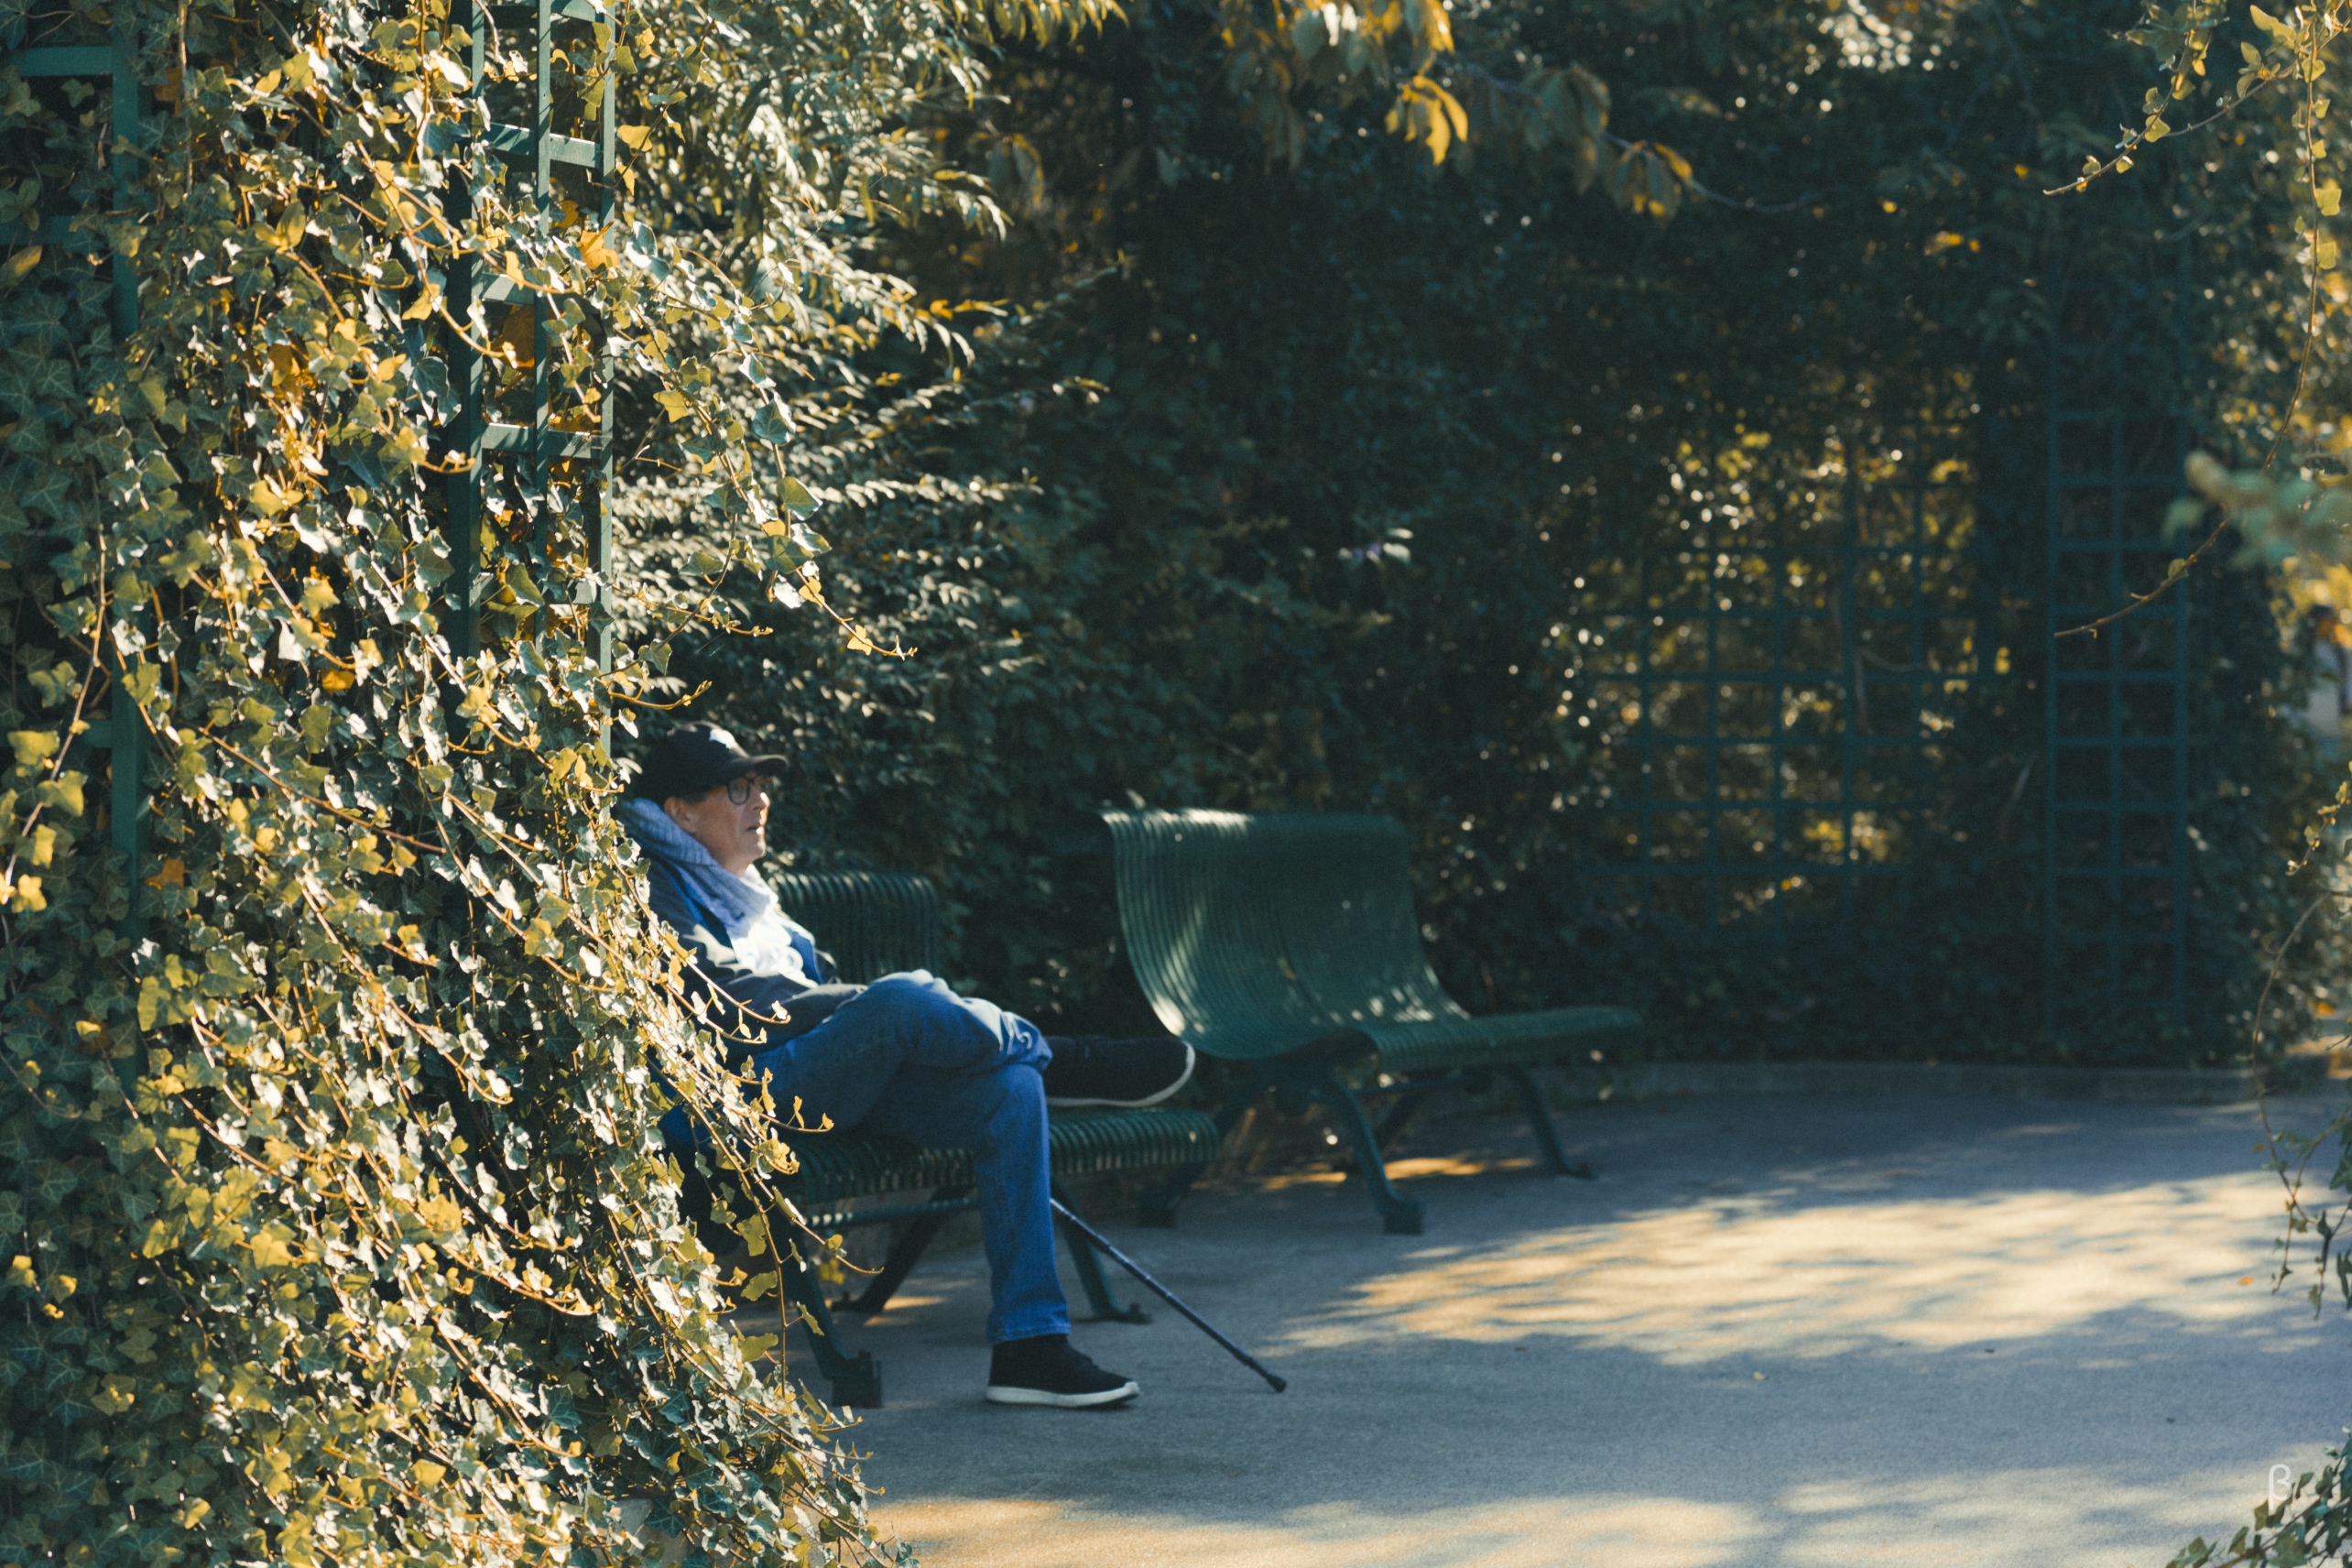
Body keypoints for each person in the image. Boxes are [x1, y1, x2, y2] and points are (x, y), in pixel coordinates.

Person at [617, 722, 1195, 1409]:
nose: (760, 802)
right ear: (680, 810)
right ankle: (1064, 1059)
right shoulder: (655, 886)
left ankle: (1030, 1347)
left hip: (817, 1086)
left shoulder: (741, 889)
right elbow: (731, 1000)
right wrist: (869, 1008)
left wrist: (867, 1015)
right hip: (740, 1099)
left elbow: (808, 992)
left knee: (1010, 1091)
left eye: (761, 786)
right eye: (738, 788)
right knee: (900, 1001)